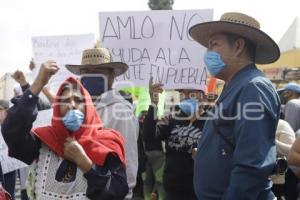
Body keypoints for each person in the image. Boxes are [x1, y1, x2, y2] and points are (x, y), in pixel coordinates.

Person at [1, 61, 129, 200]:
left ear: (88, 107)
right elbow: (11, 129)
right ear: (56, 108)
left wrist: (86, 164)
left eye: (78, 100)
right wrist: (38, 83)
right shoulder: (42, 142)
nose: (72, 105)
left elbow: (118, 191)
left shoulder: (106, 144)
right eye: (64, 101)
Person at [189, 12, 281, 199]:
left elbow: (252, 166)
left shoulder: (253, 88)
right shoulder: (236, 85)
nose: (208, 54)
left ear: (238, 46)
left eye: (214, 44)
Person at [66, 48, 139, 199]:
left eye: (98, 70)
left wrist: (124, 194)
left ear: (111, 76)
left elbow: (128, 163)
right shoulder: (79, 109)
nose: (91, 75)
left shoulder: (121, 112)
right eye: (86, 71)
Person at [143, 77, 207, 200]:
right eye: (183, 93)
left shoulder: (212, 121)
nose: (186, 96)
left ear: (203, 96)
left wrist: (204, 154)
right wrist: (153, 104)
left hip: (198, 191)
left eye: (191, 93)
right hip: (172, 189)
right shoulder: (173, 117)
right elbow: (149, 137)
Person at [0, 99, 27, 200]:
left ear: (7, 110)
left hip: (9, 166)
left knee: (9, 192)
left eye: (0, 110)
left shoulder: (14, 125)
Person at [271, 119, 297, 200]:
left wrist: (268, 141)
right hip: (246, 178)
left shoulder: (281, 125)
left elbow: (291, 151)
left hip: (275, 182)